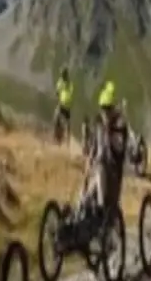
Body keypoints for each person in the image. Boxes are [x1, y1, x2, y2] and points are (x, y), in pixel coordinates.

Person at [82, 81, 128, 219]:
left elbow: (119, 149)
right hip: (99, 174)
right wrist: (89, 161)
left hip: (113, 174)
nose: (105, 112)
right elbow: (95, 146)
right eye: (103, 108)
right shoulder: (99, 125)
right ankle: (82, 211)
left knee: (100, 166)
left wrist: (110, 132)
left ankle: (101, 209)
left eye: (108, 109)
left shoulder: (119, 126)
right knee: (87, 193)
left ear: (113, 109)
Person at [54, 66, 73, 143]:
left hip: (65, 104)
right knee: (60, 120)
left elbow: (58, 92)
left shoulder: (65, 83)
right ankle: (62, 137)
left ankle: (65, 138)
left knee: (59, 119)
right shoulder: (64, 82)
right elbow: (58, 92)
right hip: (65, 104)